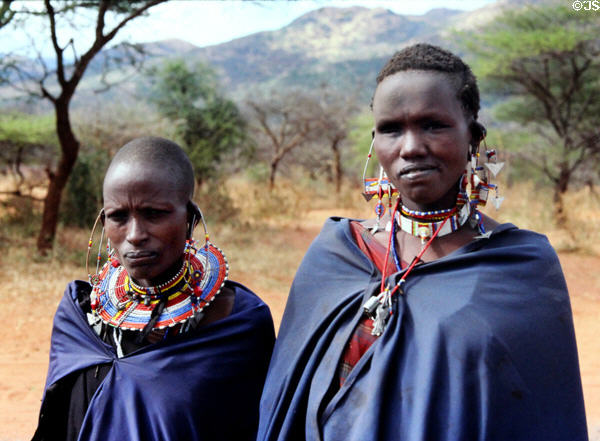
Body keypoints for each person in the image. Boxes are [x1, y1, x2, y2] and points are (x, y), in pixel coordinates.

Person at [258, 44, 587, 441]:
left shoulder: (519, 266)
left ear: (473, 137)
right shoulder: (337, 254)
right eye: (391, 129)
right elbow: (289, 403)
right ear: (374, 143)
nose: (411, 147)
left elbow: (538, 414)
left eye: (433, 125)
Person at [33, 137, 275, 441]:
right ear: (103, 220)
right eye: (118, 216)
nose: (134, 235)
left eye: (154, 214)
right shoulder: (79, 317)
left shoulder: (236, 325)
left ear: (189, 217)